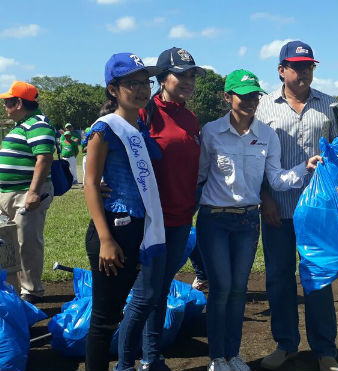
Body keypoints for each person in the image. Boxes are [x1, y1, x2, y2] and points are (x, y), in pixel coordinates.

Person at [197, 69, 322, 371]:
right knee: (221, 287)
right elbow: (199, 176)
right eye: (243, 95)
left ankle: (233, 354)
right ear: (227, 97)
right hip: (214, 219)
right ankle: (217, 357)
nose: (250, 101)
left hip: (247, 222)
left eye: (254, 95)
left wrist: (305, 167)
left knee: (239, 289)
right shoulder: (211, 132)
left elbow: (277, 180)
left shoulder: (266, 134)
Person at [255, 40, 338, 371]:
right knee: (279, 278)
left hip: (319, 212)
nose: (304, 71)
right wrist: (265, 198)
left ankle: (325, 349)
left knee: (318, 278)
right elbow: (256, 156)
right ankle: (285, 344)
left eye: (308, 65)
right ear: (282, 70)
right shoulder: (263, 107)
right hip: (278, 208)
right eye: (296, 66)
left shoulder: (330, 105)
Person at [83, 53, 162, 371]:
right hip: (113, 230)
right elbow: (89, 183)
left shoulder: (138, 124)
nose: (142, 89)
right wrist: (105, 239)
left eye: (145, 82)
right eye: (133, 83)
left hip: (136, 228)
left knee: (116, 313)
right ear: (113, 89)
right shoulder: (105, 128)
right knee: (104, 320)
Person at [131, 47, 206, 371]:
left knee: (160, 289)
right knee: (146, 293)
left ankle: (151, 356)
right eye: (181, 74)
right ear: (162, 78)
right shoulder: (145, 113)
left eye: (192, 75)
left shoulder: (190, 117)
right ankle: (131, 357)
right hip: (150, 220)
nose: (188, 81)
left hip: (181, 218)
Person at [0, 81, 55, 304]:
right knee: (9, 242)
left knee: (27, 241)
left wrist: (33, 192)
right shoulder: (22, 124)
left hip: (27, 193)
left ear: (19, 103)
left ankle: (31, 290)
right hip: (11, 193)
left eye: (7, 102)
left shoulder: (37, 124)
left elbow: (44, 157)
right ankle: (13, 288)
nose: (5, 106)